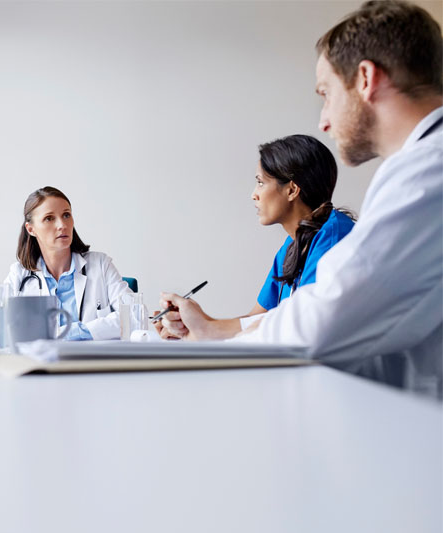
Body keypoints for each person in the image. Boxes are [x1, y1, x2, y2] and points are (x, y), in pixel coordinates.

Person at [158, 0, 442, 398]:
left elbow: (324, 319)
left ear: (365, 78)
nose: (323, 121)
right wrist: (209, 331)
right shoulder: (418, 170)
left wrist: (213, 339)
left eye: (326, 94)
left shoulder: (427, 175)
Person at [157, 134, 355, 340]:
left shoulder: (334, 239)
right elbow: (256, 320)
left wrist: (206, 330)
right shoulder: (292, 245)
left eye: (260, 182)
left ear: (291, 190)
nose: (254, 194)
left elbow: (307, 324)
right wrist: (193, 327)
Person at [4, 186, 135, 340]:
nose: (62, 225)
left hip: (93, 356)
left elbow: (134, 316)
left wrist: (73, 332)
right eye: (49, 218)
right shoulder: (19, 274)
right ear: (31, 229)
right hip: (43, 356)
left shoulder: (100, 264)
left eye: (66, 215)